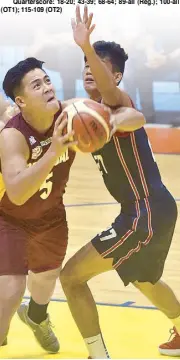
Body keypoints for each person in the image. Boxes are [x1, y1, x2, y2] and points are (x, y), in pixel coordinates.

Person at [58, 6, 180, 359]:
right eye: (85, 68)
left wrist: (86, 46)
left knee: (71, 277)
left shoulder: (116, 104)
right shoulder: (86, 110)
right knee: (144, 278)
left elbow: (121, 104)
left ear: (116, 77)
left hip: (144, 212)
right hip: (153, 208)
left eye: (97, 67)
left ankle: (99, 355)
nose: (89, 73)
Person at [0, 55, 143, 354]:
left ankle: (37, 317)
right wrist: (52, 151)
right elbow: (16, 193)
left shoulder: (72, 112)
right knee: (11, 291)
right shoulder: (12, 136)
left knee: (45, 281)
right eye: (37, 85)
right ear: (22, 101)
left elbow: (136, 116)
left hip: (51, 217)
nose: (48, 87)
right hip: (10, 219)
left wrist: (111, 120)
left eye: (47, 80)